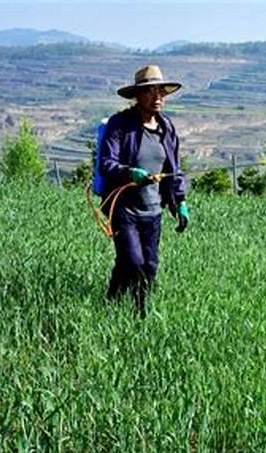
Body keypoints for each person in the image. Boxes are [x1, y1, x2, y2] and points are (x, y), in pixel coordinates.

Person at [99, 65, 190, 317]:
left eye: (161, 91)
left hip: (153, 211)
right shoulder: (120, 125)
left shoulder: (166, 128)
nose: (158, 97)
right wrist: (130, 173)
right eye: (150, 91)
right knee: (135, 263)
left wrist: (180, 202)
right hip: (123, 209)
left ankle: (119, 306)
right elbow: (106, 163)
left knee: (149, 267)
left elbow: (175, 168)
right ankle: (137, 314)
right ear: (138, 96)